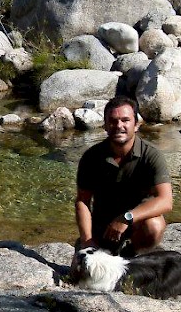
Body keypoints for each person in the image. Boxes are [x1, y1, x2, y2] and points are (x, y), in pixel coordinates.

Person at [73, 95, 173, 259]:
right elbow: (82, 201)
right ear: (105, 125)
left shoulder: (151, 155)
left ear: (136, 125)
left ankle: (132, 253)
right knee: (80, 276)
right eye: (113, 121)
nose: (119, 126)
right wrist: (87, 241)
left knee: (155, 225)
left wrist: (126, 218)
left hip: (136, 226)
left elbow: (165, 201)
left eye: (125, 120)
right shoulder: (91, 157)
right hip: (102, 229)